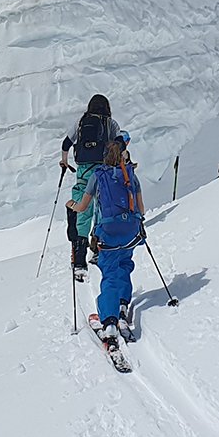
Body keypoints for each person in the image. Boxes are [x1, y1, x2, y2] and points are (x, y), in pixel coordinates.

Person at [68, 137, 144, 349]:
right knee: (124, 266)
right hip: (129, 231)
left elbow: (83, 207)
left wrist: (71, 205)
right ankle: (122, 306)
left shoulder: (97, 175)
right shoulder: (130, 174)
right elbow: (141, 208)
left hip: (108, 232)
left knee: (109, 273)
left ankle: (109, 323)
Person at [59, 94, 124, 282]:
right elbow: (119, 142)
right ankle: (98, 249)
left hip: (83, 171)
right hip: (104, 170)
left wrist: (64, 162)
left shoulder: (81, 122)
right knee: (103, 209)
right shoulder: (110, 123)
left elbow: (66, 143)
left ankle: (79, 260)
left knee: (83, 209)